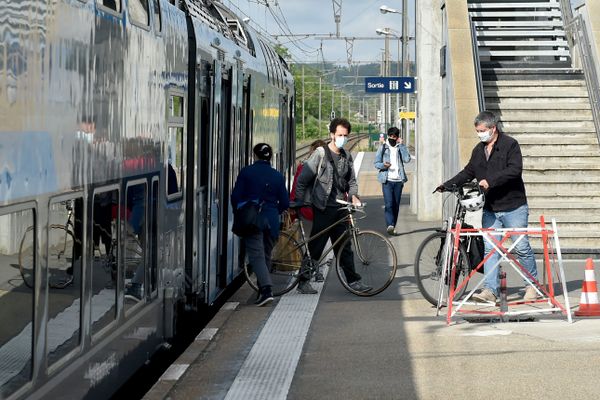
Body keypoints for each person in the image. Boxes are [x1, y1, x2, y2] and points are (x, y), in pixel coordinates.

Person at [435, 110, 538, 303]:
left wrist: (489, 181)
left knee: (521, 246)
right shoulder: (478, 150)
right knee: (490, 249)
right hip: (490, 208)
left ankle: (531, 286)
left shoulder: (510, 145)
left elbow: (514, 170)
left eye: (482, 130)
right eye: (477, 131)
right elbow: (468, 171)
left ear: (493, 128)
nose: (480, 134)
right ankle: (491, 290)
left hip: (513, 206)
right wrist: (447, 184)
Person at [293, 117, 371, 294]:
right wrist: (300, 202)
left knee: (345, 248)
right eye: (339, 135)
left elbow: (352, 181)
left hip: (341, 209)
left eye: (345, 135)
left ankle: (354, 281)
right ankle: (303, 282)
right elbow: (302, 180)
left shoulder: (347, 156)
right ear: (332, 135)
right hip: (322, 208)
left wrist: (354, 197)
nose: (342, 138)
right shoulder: (320, 154)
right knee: (315, 248)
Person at [231, 143, 289, 306]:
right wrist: (273, 212)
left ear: (255, 156)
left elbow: (235, 197)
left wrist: (241, 211)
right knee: (265, 256)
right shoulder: (277, 175)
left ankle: (266, 290)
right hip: (271, 221)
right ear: (270, 157)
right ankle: (262, 290)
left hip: (253, 220)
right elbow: (284, 202)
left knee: (256, 256)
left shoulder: (247, 172)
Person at [289, 139, 327, 281]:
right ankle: (312, 273)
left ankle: (314, 272)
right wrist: (296, 204)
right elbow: (298, 186)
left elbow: (295, 187)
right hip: (309, 209)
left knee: (312, 242)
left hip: (311, 209)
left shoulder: (306, 166)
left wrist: (294, 204)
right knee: (314, 243)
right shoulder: (307, 167)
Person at [374, 126, 411, 235]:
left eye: (394, 136)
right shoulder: (383, 147)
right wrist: (384, 165)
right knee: (389, 204)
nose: (392, 138)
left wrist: (402, 145)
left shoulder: (400, 147)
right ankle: (390, 225)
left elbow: (407, 159)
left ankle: (392, 226)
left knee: (396, 204)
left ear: (397, 137)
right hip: (387, 180)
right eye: (390, 136)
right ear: (388, 136)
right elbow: (376, 163)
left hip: (399, 180)